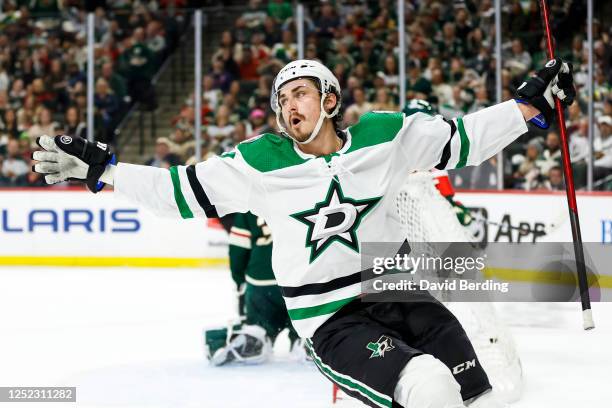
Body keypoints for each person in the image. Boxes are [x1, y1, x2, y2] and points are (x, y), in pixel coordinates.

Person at [32, 58, 574, 408]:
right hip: (331, 321)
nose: (289, 105)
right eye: (282, 99)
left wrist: (529, 105)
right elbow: (178, 191)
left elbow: (465, 138)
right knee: (429, 386)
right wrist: (106, 172)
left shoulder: (385, 135)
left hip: (402, 295)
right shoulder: (258, 163)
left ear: (331, 100)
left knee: (481, 395)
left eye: (300, 93)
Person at [205, 212, 300, 366]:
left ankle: (254, 337)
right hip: (296, 280)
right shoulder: (301, 197)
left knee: (258, 326)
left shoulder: (250, 205)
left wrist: (239, 281)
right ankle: (307, 343)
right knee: (308, 327)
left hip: (261, 280)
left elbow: (238, 249)